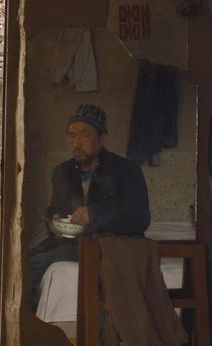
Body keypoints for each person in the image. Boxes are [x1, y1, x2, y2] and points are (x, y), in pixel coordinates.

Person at [29, 104, 151, 312]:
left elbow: (139, 218)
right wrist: (54, 223)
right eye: (71, 135)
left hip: (112, 244)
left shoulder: (127, 170)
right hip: (74, 244)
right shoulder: (62, 172)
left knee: (32, 264)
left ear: (103, 139)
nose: (76, 143)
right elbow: (54, 210)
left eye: (84, 135)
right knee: (24, 262)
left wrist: (94, 214)